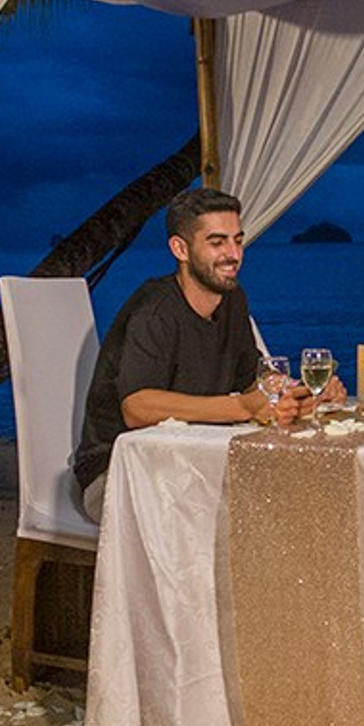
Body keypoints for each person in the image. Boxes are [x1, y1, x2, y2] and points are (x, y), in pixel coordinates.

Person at [73, 186, 314, 521]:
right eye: (217, 243)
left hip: (191, 460)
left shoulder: (231, 299)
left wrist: (300, 393)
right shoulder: (155, 312)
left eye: (238, 240)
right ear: (180, 249)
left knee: (295, 492)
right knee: (248, 513)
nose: (233, 254)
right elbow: (137, 407)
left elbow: (252, 379)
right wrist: (243, 407)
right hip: (120, 472)